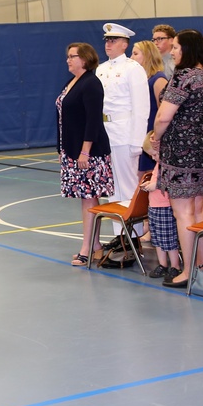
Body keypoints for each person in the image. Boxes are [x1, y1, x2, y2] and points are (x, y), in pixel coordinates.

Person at [151, 30, 203, 288]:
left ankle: (188, 270)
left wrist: (155, 138)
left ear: (187, 50)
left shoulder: (183, 77)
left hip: (181, 155)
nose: (172, 51)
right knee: (199, 208)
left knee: (183, 213)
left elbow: (163, 117)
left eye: (176, 48)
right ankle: (202, 264)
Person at [57, 42, 114, 267]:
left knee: (90, 198)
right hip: (72, 150)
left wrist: (85, 151)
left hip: (89, 153)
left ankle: (88, 247)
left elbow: (92, 121)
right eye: (68, 56)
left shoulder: (91, 83)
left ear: (85, 58)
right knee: (86, 199)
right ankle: (95, 244)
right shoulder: (73, 82)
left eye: (73, 56)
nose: (69, 60)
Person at [96, 23, 149, 239]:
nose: (109, 44)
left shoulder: (132, 68)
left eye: (113, 40)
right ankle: (120, 237)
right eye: (107, 40)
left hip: (125, 132)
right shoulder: (101, 69)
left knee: (128, 188)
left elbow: (141, 107)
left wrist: (137, 141)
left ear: (124, 44)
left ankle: (133, 237)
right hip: (106, 131)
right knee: (111, 189)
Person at [141, 138, 179, 280]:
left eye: (155, 154)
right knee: (156, 239)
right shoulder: (158, 165)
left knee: (169, 240)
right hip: (154, 206)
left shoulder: (168, 165)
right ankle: (163, 265)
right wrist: (149, 184)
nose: (153, 157)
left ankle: (175, 266)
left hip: (165, 206)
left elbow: (169, 182)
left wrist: (155, 185)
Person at [131, 39, 168, 174]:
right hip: (140, 133)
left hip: (152, 135)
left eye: (135, 54)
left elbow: (163, 111)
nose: (131, 58)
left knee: (148, 175)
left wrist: (156, 139)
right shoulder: (141, 80)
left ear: (147, 56)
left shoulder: (158, 79)